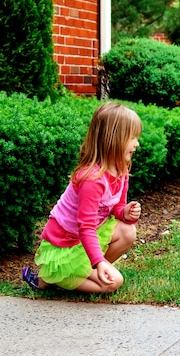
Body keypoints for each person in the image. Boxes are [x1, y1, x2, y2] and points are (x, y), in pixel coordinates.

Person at [22, 102, 142, 294]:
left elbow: (116, 209)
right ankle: (57, 276)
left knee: (128, 231)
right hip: (67, 241)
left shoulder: (121, 170)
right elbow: (84, 225)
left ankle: (78, 271)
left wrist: (126, 212)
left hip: (89, 234)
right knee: (114, 283)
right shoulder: (92, 180)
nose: (137, 143)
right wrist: (99, 262)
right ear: (113, 139)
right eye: (132, 137)